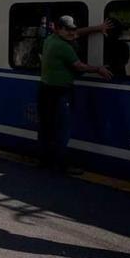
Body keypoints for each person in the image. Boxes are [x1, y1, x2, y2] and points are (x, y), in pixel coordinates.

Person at [37, 15, 112, 174]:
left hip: (45, 90)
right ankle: (61, 164)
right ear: (58, 29)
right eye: (68, 29)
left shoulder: (51, 39)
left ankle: (45, 160)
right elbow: (79, 66)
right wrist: (98, 69)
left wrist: (97, 28)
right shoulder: (63, 47)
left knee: (47, 127)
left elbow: (79, 32)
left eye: (72, 29)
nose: (72, 33)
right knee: (63, 129)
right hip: (59, 92)